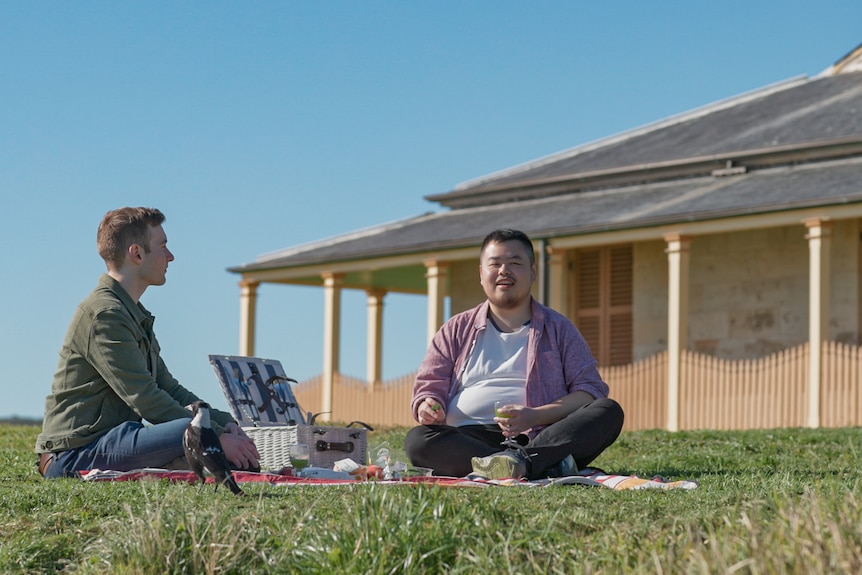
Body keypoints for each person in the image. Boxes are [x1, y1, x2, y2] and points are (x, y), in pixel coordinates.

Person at [35, 207, 260, 478]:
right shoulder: (105, 314)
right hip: (75, 454)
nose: (171, 256)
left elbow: (168, 388)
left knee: (219, 447)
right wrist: (208, 435)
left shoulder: (131, 313)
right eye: (163, 246)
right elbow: (145, 399)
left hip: (114, 441)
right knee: (187, 432)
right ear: (137, 254)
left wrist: (224, 425)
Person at [405, 229, 624, 480]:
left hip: (540, 436)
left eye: (515, 263)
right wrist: (428, 406)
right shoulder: (456, 328)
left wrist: (536, 415)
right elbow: (429, 386)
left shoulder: (559, 328)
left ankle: (519, 462)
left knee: (608, 411)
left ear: (533, 272)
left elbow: (590, 391)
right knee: (418, 440)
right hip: (468, 439)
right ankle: (530, 465)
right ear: (481, 273)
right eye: (495, 263)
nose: (503, 271)